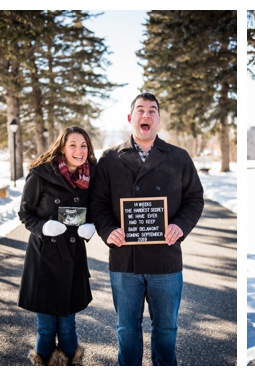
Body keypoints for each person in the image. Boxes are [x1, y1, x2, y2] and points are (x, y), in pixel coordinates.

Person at [89, 92, 204, 366]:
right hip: (124, 261)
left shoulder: (178, 157)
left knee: (166, 329)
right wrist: (107, 231)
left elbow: (195, 199)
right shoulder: (110, 159)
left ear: (159, 120)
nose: (146, 115)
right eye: (140, 110)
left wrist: (180, 225)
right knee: (126, 329)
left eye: (152, 111)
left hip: (165, 259)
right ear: (131, 118)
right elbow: (97, 203)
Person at [18, 126, 98, 366]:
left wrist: (92, 226)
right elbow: (25, 213)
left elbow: (98, 208)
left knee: (67, 326)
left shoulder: (93, 176)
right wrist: (43, 228)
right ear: (62, 147)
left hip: (72, 258)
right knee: (45, 328)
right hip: (44, 258)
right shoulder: (40, 174)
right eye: (73, 144)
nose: (79, 150)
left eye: (83, 145)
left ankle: (72, 365)